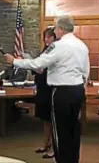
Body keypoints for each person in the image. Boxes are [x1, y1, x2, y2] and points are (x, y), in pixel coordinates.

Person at [4, 15, 90, 163]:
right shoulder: (82, 46)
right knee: (74, 129)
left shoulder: (58, 46)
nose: (54, 31)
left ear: (61, 29)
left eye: (56, 28)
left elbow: (38, 64)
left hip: (62, 93)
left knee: (60, 131)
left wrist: (15, 61)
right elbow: (85, 72)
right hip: (78, 91)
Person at [34, 27, 56, 159]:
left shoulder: (56, 51)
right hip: (42, 89)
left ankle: (53, 148)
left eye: (49, 37)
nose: (46, 39)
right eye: (45, 37)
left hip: (51, 89)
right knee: (45, 119)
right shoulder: (45, 50)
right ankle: (46, 144)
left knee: (52, 120)